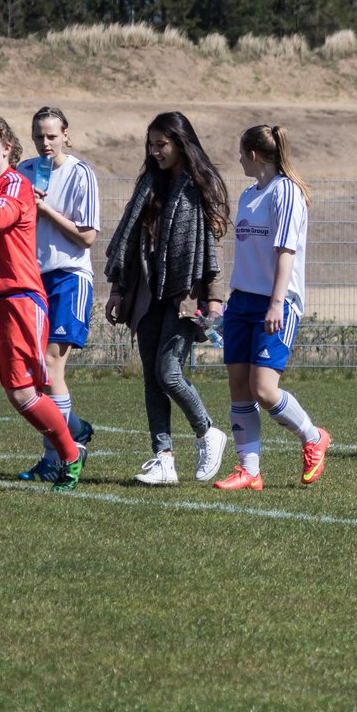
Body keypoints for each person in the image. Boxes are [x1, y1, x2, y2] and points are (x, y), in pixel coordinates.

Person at [0, 116, 84, 493]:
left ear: (7, 149)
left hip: (17, 299)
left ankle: (70, 455)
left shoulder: (16, 184)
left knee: (22, 393)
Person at [104, 111, 229, 486]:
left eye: (162, 144)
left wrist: (214, 300)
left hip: (184, 296)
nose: (155, 151)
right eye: (151, 145)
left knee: (168, 372)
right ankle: (164, 459)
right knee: (152, 381)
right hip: (145, 294)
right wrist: (117, 289)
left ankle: (208, 432)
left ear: (180, 143)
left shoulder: (199, 186)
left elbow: (210, 249)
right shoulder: (148, 186)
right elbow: (128, 241)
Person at [213, 125, 329, 490]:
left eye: (239, 152)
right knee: (239, 388)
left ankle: (313, 437)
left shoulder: (287, 193)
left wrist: (277, 304)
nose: (237, 159)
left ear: (252, 154)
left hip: (275, 303)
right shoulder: (249, 195)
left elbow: (286, 254)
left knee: (264, 389)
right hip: (241, 301)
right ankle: (249, 470)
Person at [16, 107, 100, 483]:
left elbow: (87, 237)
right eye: (39, 136)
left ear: (66, 135)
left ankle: (56, 457)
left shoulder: (81, 173)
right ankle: (77, 430)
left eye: (51, 135)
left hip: (70, 276)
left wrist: (45, 209)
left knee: (52, 366)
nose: (45, 143)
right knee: (35, 373)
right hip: (32, 278)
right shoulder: (24, 170)